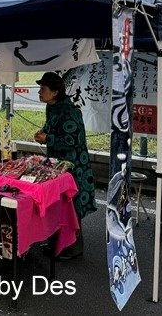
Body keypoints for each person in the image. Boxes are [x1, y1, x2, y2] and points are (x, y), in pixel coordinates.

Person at [34, 71, 96, 260]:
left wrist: (48, 138)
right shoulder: (52, 107)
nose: (39, 92)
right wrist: (43, 132)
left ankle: (73, 247)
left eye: (43, 89)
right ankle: (56, 243)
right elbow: (51, 126)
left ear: (54, 92)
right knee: (58, 205)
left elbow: (73, 140)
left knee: (72, 207)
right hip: (59, 165)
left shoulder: (69, 111)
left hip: (74, 167)